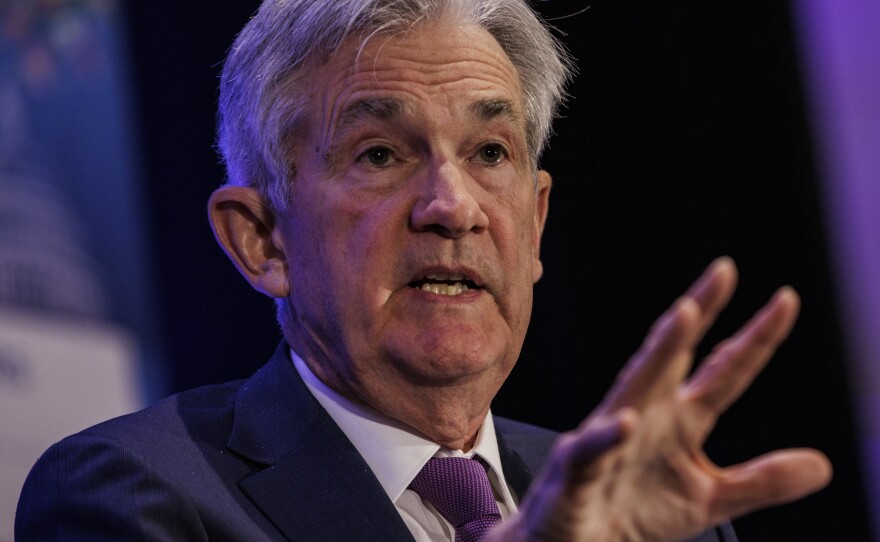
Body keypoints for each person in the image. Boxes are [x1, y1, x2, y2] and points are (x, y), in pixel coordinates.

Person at [16, 0, 832, 540]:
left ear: (536, 223)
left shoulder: (646, 515)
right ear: (260, 238)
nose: (453, 205)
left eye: (489, 153)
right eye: (379, 152)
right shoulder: (133, 498)